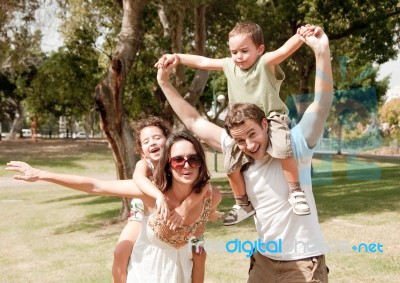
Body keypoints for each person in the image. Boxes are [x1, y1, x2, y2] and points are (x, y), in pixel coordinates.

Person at [156, 24, 332, 282]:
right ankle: (242, 205)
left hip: (304, 261)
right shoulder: (236, 147)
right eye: (240, 139)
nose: (248, 145)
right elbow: (194, 122)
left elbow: (322, 101)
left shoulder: (294, 143)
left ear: (265, 124)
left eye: (252, 135)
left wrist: (321, 52)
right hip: (263, 259)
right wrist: (164, 83)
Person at [6, 130, 222, 283]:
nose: (186, 165)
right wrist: (42, 174)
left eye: (193, 159)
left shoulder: (211, 195)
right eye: (178, 160)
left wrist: (209, 213)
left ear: (201, 162)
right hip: (148, 273)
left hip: (182, 273)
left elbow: (203, 230)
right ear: (167, 164)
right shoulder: (150, 194)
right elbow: (95, 186)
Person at [156, 21, 312, 226]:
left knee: (283, 147)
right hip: (239, 125)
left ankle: (295, 191)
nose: (238, 56)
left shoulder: (265, 63)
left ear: (260, 49)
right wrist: (177, 58)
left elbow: (284, 51)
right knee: (230, 165)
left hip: (271, 118)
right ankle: (242, 204)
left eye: (244, 51)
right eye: (234, 52)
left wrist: (301, 35)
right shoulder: (230, 66)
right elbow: (203, 61)